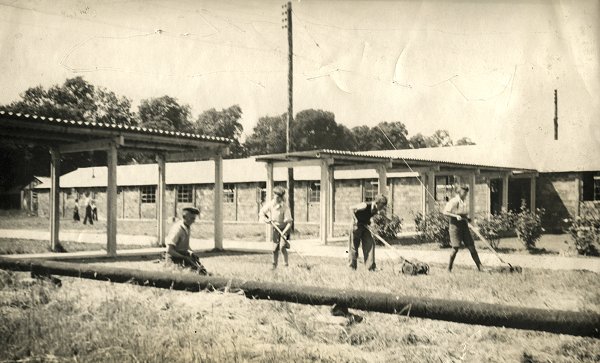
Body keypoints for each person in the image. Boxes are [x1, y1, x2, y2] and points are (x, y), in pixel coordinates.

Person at [443, 184, 483, 272]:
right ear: (459, 192)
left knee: (471, 246)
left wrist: (467, 218)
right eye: (464, 192)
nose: (465, 194)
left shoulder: (463, 201)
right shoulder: (453, 201)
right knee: (455, 248)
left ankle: (480, 267)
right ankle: (449, 268)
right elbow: (445, 212)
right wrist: (455, 216)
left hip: (464, 225)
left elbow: (463, 213)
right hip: (455, 226)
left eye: (466, 193)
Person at [165, 207, 209, 275]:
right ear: (184, 217)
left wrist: (191, 253)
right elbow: (169, 250)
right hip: (174, 260)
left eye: (194, 218)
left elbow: (184, 245)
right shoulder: (177, 229)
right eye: (192, 218)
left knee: (202, 271)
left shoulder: (187, 227)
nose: (193, 221)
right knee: (190, 275)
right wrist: (184, 258)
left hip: (183, 257)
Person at [348, 194, 388, 271]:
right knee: (353, 247)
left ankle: (370, 267)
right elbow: (351, 208)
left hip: (365, 226)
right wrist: (355, 220)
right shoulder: (365, 205)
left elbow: (368, 215)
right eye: (382, 205)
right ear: (377, 202)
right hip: (356, 226)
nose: (383, 207)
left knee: (370, 244)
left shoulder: (376, 209)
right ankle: (352, 267)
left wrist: (370, 223)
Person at [259, 186, 293, 269]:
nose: (277, 199)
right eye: (275, 196)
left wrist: (284, 232)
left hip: (285, 229)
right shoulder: (271, 204)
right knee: (274, 249)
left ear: (282, 197)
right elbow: (261, 213)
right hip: (275, 229)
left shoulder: (285, 207)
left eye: (279, 197)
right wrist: (267, 220)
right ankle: (274, 265)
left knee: (282, 247)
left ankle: (286, 265)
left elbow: (289, 223)